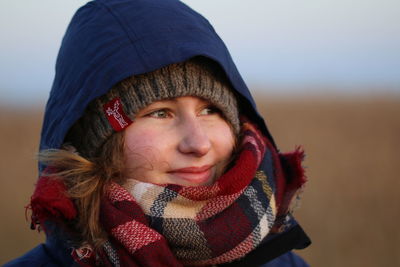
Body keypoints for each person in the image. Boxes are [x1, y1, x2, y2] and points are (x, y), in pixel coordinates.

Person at [5, 0, 311, 266]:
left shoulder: (283, 262)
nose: (199, 143)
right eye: (160, 113)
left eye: (210, 110)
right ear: (96, 142)